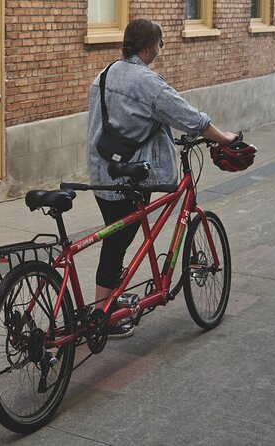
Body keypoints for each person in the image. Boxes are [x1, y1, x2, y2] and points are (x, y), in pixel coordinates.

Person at [87, 18, 237, 338]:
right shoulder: (147, 82)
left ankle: (105, 308)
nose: (160, 48)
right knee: (117, 242)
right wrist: (224, 138)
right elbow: (189, 117)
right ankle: (102, 315)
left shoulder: (104, 75)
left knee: (116, 240)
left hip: (101, 171)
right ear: (149, 46)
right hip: (130, 176)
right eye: (160, 43)